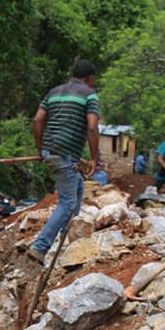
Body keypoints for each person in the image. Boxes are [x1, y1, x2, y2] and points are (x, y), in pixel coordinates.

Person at [27, 59, 101, 263]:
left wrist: (41, 149)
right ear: (90, 79)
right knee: (67, 203)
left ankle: (67, 241)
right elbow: (92, 128)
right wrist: (95, 158)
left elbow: (37, 120)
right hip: (65, 155)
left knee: (77, 190)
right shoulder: (89, 94)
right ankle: (40, 247)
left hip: (52, 152)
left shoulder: (54, 92)